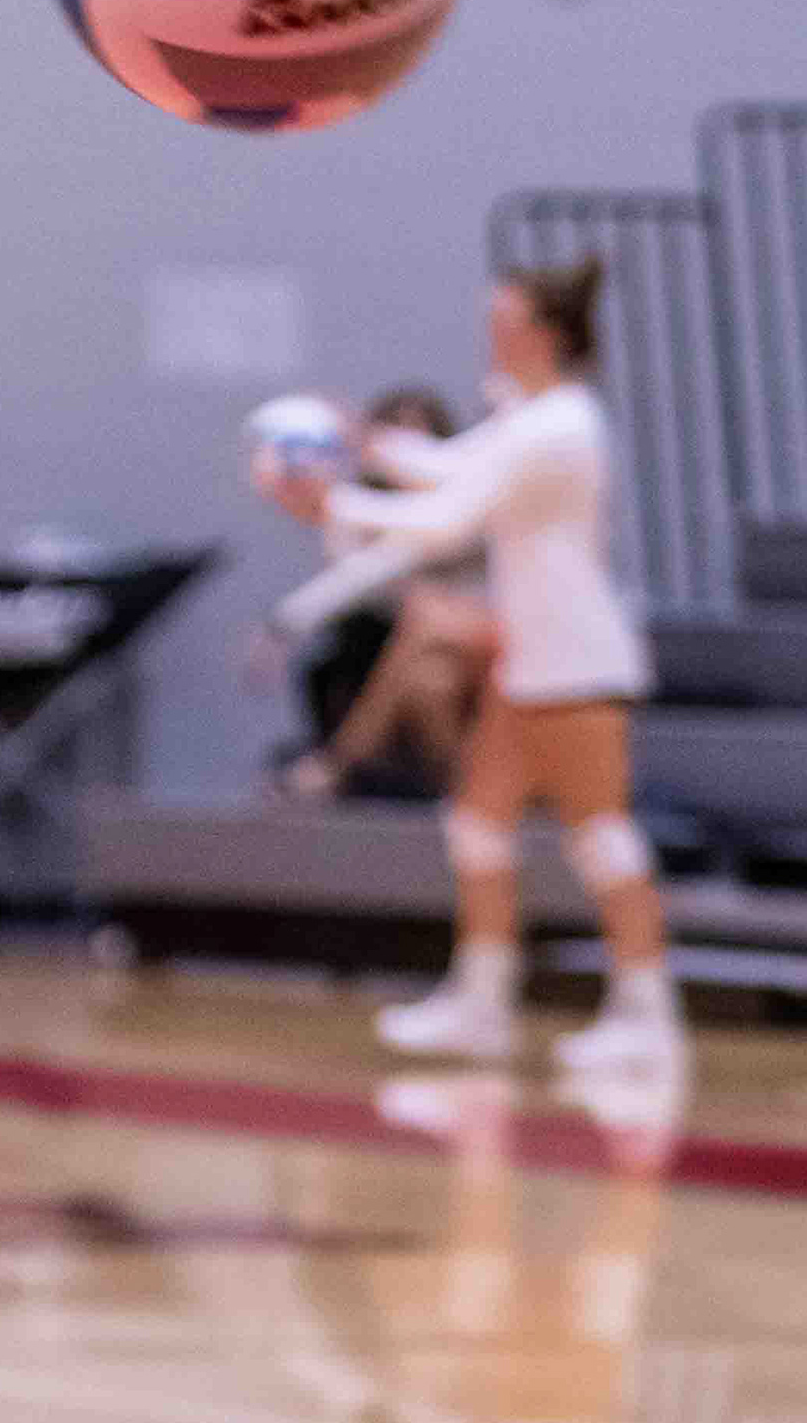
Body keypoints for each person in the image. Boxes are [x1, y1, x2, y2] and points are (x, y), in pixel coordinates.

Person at [259, 259, 682, 1081]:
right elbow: (451, 465)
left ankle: (646, 1014)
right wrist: (365, 442)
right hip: (531, 659)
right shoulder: (529, 418)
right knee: (478, 825)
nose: (490, 330)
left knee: (601, 836)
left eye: (505, 318)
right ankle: (482, 1004)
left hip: (576, 659)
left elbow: (451, 518)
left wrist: (333, 503)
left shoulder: (559, 426)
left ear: (543, 333)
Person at [262, 383, 479, 801]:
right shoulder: (370, 506)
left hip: (478, 639)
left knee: (426, 623)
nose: (407, 450)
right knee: (427, 680)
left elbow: (399, 556)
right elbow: (358, 571)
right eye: (396, 435)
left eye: (418, 439)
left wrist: (288, 618)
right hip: (400, 643)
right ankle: (471, 799)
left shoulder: (464, 502)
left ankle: (337, 765)